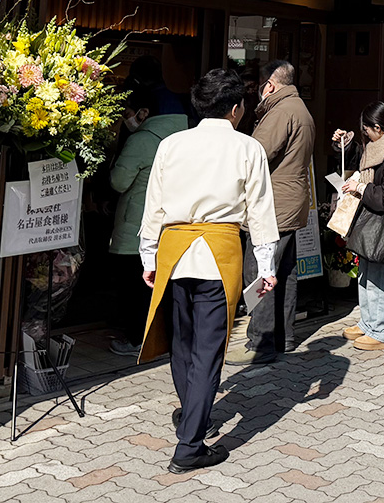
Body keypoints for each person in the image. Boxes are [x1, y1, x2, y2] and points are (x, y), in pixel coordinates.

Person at [137, 69, 279, 473]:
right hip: (220, 252)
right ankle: (190, 444)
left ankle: (191, 415)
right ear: (235, 109)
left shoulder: (171, 144)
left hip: (174, 250)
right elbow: (260, 212)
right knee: (209, 349)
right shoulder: (247, 147)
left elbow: (154, 206)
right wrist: (266, 266)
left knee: (183, 342)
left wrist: (148, 257)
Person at [229, 60, 315, 366]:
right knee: (285, 272)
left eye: (259, 85)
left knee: (259, 273)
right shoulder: (299, 108)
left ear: (270, 85)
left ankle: (260, 342)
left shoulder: (280, 111)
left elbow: (256, 154)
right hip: (291, 202)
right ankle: (283, 337)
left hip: (273, 205)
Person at [108, 87, 190, 357]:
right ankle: (164, 339)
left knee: (134, 287)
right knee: (164, 288)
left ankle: (137, 340)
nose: (127, 119)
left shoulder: (141, 140)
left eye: (128, 113)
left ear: (144, 113)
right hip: (172, 224)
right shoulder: (184, 136)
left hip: (137, 223)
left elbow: (119, 182)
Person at [336, 102, 384, 351]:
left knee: (381, 280)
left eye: (366, 130)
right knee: (367, 276)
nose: (365, 134)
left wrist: (361, 188)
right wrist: (344, 145)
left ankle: (382, 332)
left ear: (378, 128)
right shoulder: (378, 148)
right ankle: (368, 323)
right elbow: (360, 160)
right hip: (372, 221)